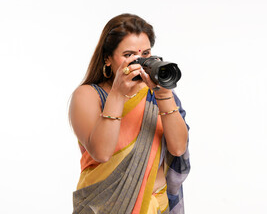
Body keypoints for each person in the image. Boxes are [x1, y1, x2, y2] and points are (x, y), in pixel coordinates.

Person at [69, 13, 190, 214]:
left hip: (156, 207)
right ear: (107, 58)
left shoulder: (159, 95)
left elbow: (178, 149)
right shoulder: (88, 96)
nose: (140, 62)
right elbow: (102, 152)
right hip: (103, 206)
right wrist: (117, 94)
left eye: (146, 54)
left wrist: (163, 94)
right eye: (128, 55)